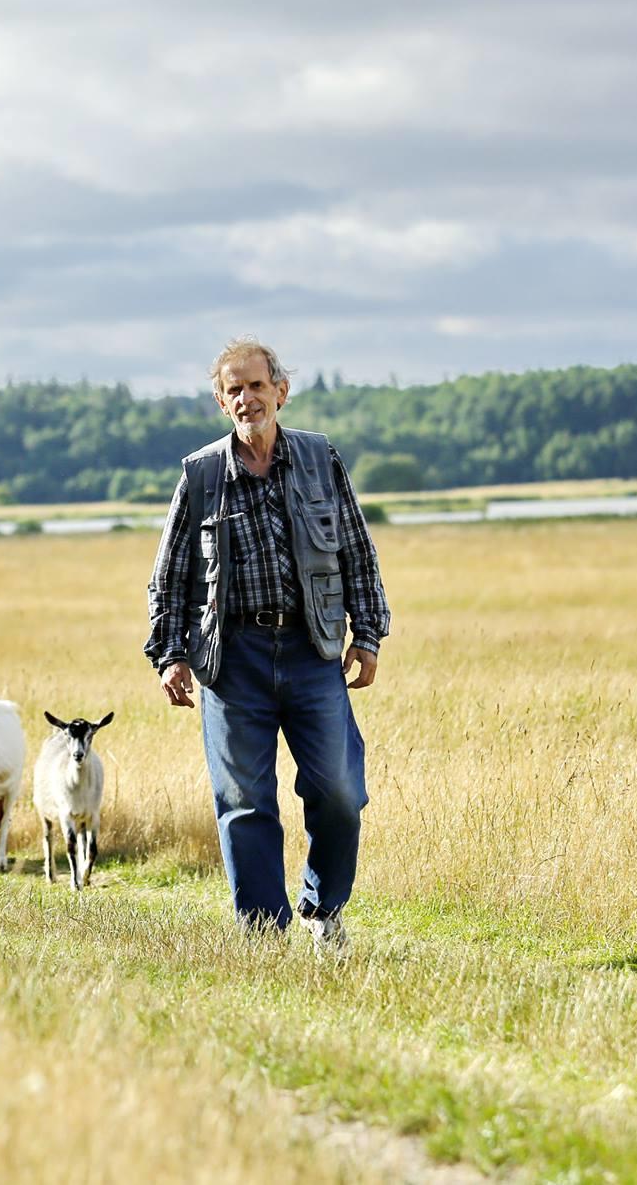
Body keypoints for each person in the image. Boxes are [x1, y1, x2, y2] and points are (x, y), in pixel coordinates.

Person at [145, 337, 390, 948]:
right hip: (232, 660)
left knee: (338, 790)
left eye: (257, 386)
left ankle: (321, 909)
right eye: (234, 389)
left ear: (281, 391)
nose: (247, 398)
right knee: (245, 801)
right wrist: (169, 653)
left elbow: (357, 549)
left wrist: (369, 632)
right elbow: (170, 575)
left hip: (313, 648)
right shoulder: (200, 474)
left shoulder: (319, 458)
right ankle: (262, 933)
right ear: (220, 402)